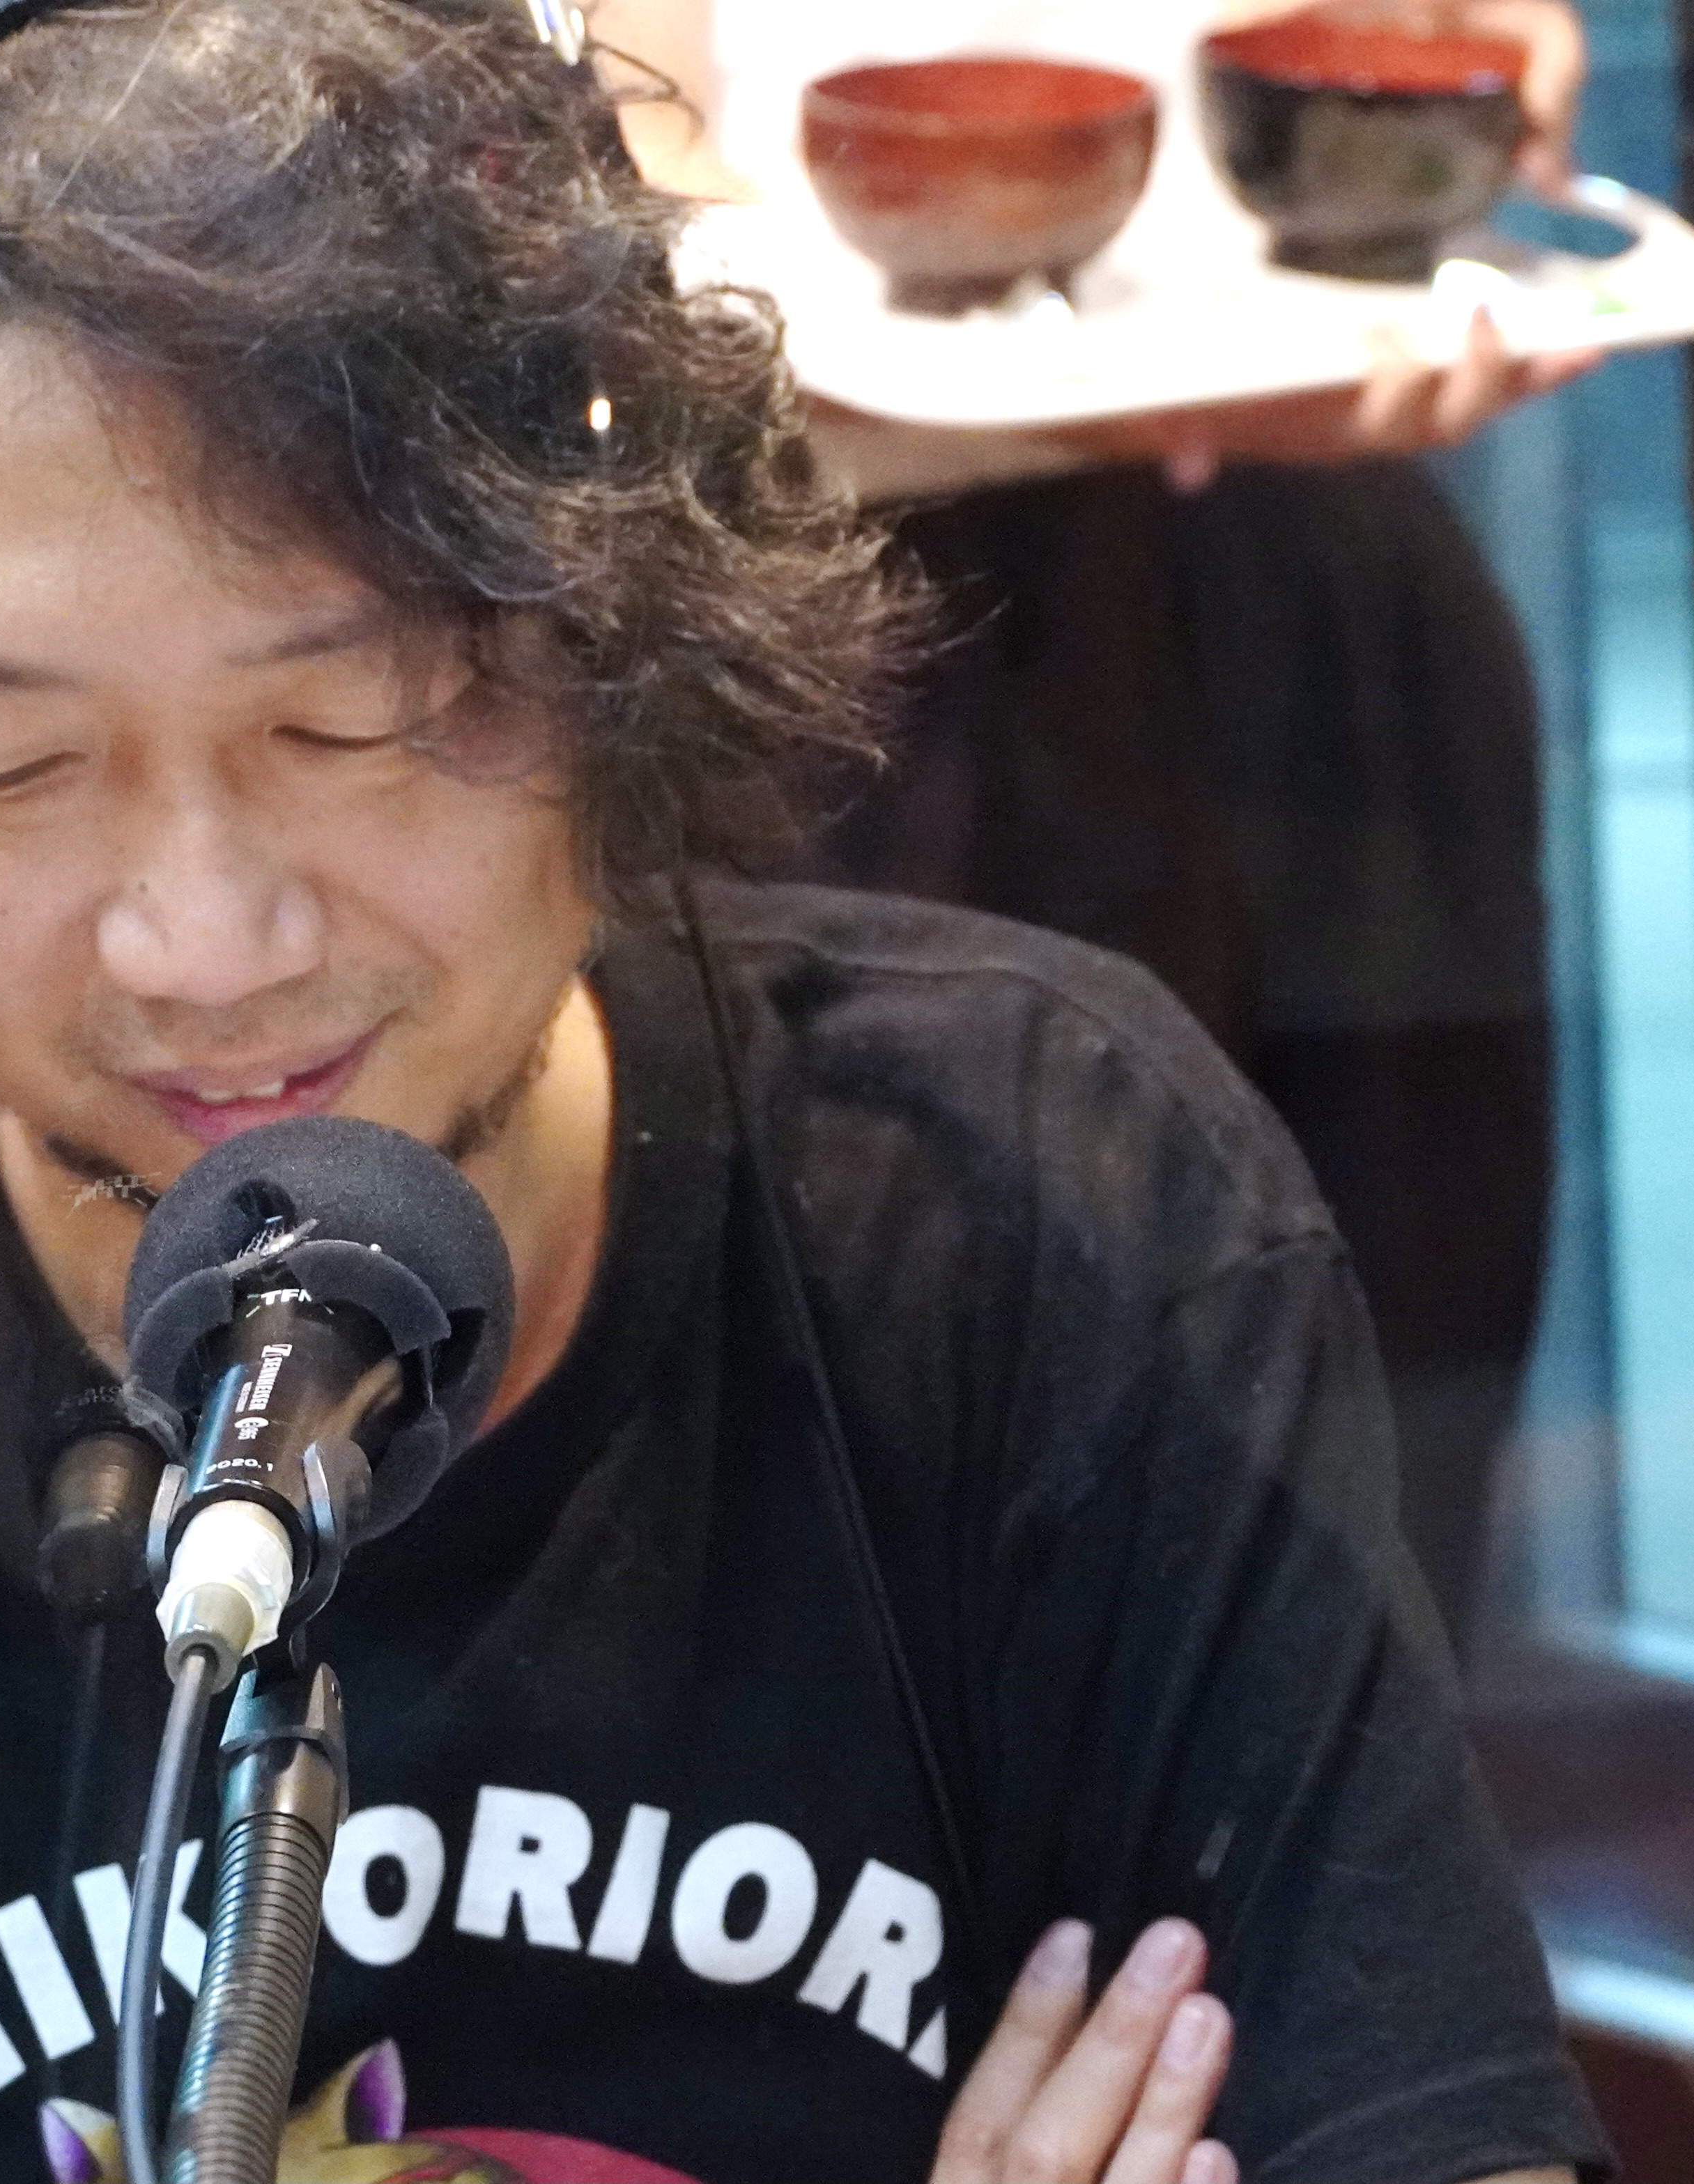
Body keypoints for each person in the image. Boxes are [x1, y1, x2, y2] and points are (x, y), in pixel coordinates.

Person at [0, 3, 1607, 2181]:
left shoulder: (1041, 1206)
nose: (204, 938)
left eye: (351, 719)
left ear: (607, 611)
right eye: (2, 764)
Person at [601, 0, 1595, 1640]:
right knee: (924, 1496)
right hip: (866, 646)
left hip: (1329, 599)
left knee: (1384, 1469)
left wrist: (1485, 55)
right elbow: (625, 170)